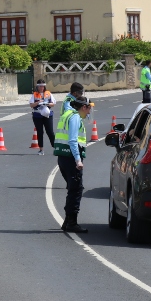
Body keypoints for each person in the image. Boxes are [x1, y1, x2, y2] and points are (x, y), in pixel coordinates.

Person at [54, 95, 93, 233]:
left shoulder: (67, 114)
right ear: (83, 107)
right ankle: (72, 222)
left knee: (73, 189)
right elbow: (72, 140)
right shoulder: (75, 117)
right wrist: (78, 160)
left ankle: (67, 221)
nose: (89, 112)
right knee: (76, 189)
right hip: (71, 159)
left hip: (63, 157)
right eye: (89, 108)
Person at [29, 79, 56, 155]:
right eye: (40, 86)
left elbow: (53, 103)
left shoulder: (48, 93)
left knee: (50, 132)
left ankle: (55, 148)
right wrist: (38, 102)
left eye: (43, 86)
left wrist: (47, 104)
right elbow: (31, 105)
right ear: (37, 87)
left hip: (48, 115)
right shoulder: (34, 95)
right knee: (40, 132)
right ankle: (41, 150)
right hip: (37, 115)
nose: (42, 88)